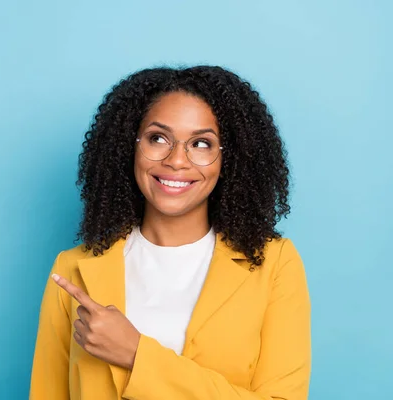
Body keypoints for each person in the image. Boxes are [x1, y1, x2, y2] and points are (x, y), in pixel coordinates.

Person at [29, 66, 311, 400]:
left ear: (229, 159)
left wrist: (137, 355)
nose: (177, 160)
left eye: (201, 143)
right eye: (158, 138)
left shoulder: (274, 264)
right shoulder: (73, 270)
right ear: (129, 146)